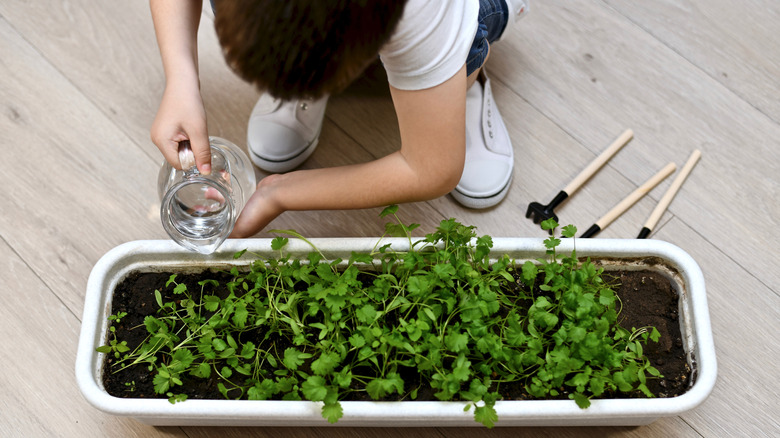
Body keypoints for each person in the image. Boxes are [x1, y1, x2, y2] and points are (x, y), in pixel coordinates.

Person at [150, 0, 529, 238]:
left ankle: (460, 85)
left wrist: (278, 193)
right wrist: (180, 79)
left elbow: (431, 170)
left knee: (477, 17)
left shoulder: (423, 7)